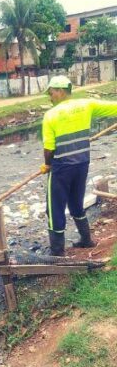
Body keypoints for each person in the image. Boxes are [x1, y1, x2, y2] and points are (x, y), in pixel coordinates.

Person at [41, 75, 117, 255]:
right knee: (76, 202)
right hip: (82, 163)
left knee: (54, 208)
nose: (50, 97)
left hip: (61, 167)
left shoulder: (51, 115)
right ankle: (86, 239)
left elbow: (49, 149)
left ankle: (57, 252)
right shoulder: (87, 105)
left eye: (51, 93)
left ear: (60, 91)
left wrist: (47, 165)